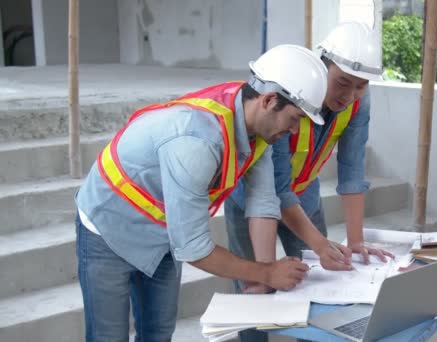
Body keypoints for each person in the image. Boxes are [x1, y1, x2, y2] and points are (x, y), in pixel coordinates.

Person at [74, 44, 328, 342]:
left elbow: (262, 202)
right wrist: (267, 273)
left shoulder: (254, 122)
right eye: (296, 118)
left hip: (162, 231)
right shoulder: (198, 141)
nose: (296, 131)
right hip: (108, 227)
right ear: (270, 100)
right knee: (109, 336)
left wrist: (264, 278)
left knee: (157, 333)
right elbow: (194, 247)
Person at [225, 21, 395, 341]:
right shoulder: (292, 93)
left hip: (305, 194)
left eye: (362, 86)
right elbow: (273, 189)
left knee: (317, 284)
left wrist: (355, 241)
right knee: (254, 290)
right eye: (343, 82)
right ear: (323, 64)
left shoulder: (358, 101)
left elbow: (352, 169)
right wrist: (317, 244)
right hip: (250, 198)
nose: (350, 95)